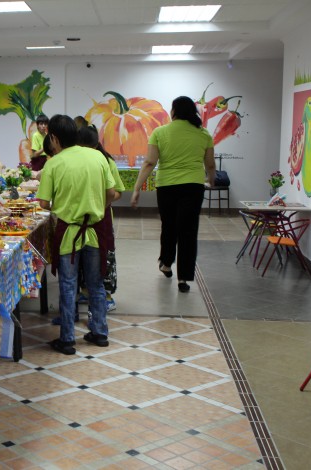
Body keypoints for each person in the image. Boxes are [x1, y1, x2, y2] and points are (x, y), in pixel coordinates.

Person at [37, 114, 116, 355]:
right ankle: (100, 332)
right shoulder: (97, 156)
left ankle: (68, 339)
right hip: (94, 230)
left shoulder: (53, 164)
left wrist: (62, 206)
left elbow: (43, 203)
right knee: (96, 283)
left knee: (68, 285)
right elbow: (111, 193)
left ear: (54, 138)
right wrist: (96, 209)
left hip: (69, 233)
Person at [130, 96, 216, 293]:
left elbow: (149, 162)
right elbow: (210, 164)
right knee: (188, 230)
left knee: (169, 226)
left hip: (167, 186)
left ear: (174, 111)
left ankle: (167, 264)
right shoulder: (203, 134)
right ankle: (183, 278)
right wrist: (211, 180)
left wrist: (137, 188)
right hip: (193, 187)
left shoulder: (160, 132)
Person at [77, 125, 125, 312]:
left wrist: (101, 204)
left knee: (104, 256)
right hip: (80, 217)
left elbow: (117, 192)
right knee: (83, 256)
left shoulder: (106, 162)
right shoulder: (74, 162)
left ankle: (107, 296)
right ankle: (85, 291)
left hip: (101, 218)